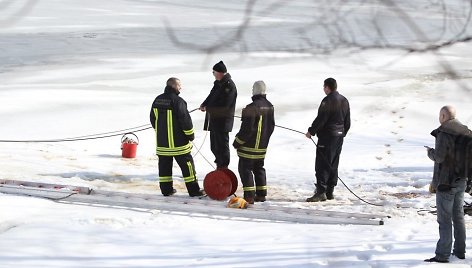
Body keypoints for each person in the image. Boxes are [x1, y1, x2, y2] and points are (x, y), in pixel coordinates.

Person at [424, 105, 470, 263]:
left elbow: (440, 157)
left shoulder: (444, 132)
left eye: (439, 115)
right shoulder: (466, 132)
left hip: (446, 182)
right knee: (458, 217)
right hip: (462, 180)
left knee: (444, 219)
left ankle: (442, 255)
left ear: (443, 116)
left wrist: (430, 152)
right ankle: (460, 251)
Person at [150, 77, 204, 197]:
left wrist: (161, 133)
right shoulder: (178, 101)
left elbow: (153, 119)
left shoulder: (157, 100)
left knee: (164, 168)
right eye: (179, 85)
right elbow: (185, 120)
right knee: (188, 167)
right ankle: (194, 191)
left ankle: (166, 190)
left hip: (162, 144)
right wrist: (190, 135)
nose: (181, 88)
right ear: (174, 86)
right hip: (179, 144)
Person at [305, 77, 350, 202]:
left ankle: (321, 192)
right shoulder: (344, 100)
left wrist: (311, 131)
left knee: (322, 164)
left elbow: (321, 119)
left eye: (324, 87)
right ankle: (330, 191)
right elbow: (347, 121)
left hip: (327, 137)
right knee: (333, 164)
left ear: (327, 87)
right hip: (338, 137)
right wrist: (341, 133)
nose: (323, 89)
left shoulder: (327, 100)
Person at [233, 81, 275, 204]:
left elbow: (247, 129)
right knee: (259, 168)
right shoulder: (270, 106)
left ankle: (249, 196)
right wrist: (264, 140)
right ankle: (261, 194)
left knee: (245, 169)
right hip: (262, 146)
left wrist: (237, 142)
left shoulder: (251, 107)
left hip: (249, 147)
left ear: (255, 91)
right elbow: (271, 126)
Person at [200, 61, 237, 169]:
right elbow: (211, 96)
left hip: (223, 121)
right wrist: (204, 104)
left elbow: (225, 106)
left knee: (222, 146)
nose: (213, 74)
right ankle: (219, 165)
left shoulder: (230, 86)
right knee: (214, 147)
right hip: (214, 120)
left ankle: (223, 167)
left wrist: (209, 108)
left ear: (220, 73)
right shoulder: (218, 83)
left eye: (214, 72)